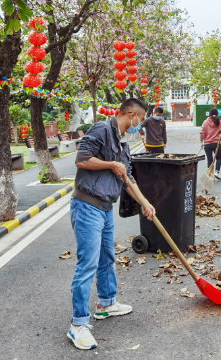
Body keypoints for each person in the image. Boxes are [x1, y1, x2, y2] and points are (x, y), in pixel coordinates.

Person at [68, 97, 156, 350]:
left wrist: (145, 203)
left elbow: (127, 178)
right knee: (88, 264)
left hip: (105, 209)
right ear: (132, 115)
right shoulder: (101, 130)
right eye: (141, 119)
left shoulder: (122, 142)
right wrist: (110, 164)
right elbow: (81, 159)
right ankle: (78, 325)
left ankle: (106, 303)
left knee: (107, 258)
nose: (141, 124)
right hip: (87, 207)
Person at [200, 108, 221, 180]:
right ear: (217, 114)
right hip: (216, 143)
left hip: (207, 144)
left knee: (210, 159)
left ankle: (210, 174)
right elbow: (220, 132)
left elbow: (202, 132)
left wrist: (201, 141)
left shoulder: (205, 122)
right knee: (218, 158)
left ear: (209, 114)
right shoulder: (219, 122)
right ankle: (216, 172)